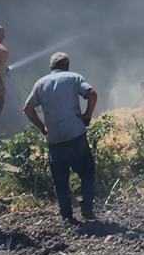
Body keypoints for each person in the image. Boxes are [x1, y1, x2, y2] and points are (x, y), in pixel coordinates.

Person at [22, 52, 98, 224]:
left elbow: (28, 109)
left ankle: (66, 215)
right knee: (87, 171)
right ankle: (87, 207)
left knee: (60, 179)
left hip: (55, 138)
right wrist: (87, 115)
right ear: (67, 65)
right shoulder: (73, 78)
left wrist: (42, 127)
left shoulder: (41, 83)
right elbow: (92, 94)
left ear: (51, 67)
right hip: (75, 134)